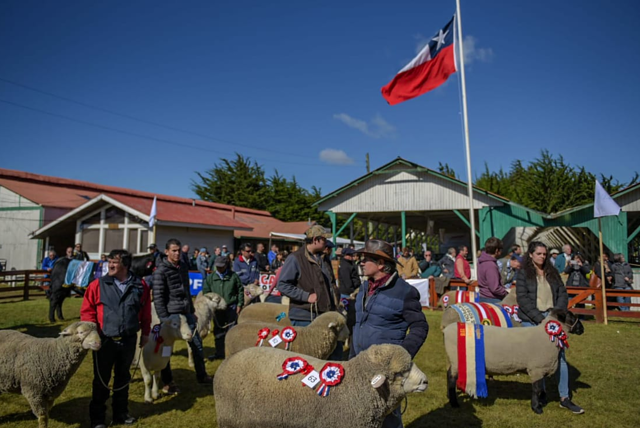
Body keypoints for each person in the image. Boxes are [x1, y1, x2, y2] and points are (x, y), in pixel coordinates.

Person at [350, 239, 429, 428]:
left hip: (385, 369)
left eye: (366, 258)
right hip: (358, 364)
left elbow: (420, 327)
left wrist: (399, 358)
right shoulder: (363, 288)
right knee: (359, 415)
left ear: (381, 264)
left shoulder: (404, 292)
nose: (361, 262)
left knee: (388, 418)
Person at [80, 249, 151, 428]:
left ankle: (121, 413)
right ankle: (97, 419)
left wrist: (146, 333)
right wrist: (91, 334)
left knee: (123, 378)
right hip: (104, 340)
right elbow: (87, 311)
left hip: (128, 340)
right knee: (101, 380)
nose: (109, 265)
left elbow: (145, 312)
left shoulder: (140, 285)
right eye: (109, 262)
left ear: (125, 265)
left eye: (114, 262)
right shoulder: (97, 285)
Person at [515, 241, 584, 414]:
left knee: (560, 356)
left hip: (552, 317)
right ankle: (540, 393)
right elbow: (522, 298)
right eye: (539, 254)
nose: (542, 257)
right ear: (530, 254)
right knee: (537, 360)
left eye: (544, 254)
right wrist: (540, 319)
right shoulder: (523, 273)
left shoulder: (552, 272)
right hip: (532, 320)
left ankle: (564, 397)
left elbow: (562, 293)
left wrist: (556, 314)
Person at [153, 239, 213, 392]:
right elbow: (158, 296)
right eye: (173, 250)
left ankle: (202, 375)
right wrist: (163, 318)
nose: (177, 253)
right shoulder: (161, 271)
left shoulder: (183, 267)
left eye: (179, 250)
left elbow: (186, 291)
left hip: (186, 312)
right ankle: (168, 382)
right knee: (167, 349)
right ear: (166, 252)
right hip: (171, 315)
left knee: (197, 345)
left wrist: (191, 310)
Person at [277, 225, 336, 326]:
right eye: (324, 239)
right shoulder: (295, 258)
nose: (326, 242)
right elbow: (282, 285)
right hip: (303, 317)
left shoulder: (324, 259)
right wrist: (306, 296)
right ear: (315, 240)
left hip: (323, 315)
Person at [203, 255, 243, 359]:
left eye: (222, 266)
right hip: (217, 309)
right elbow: (206, 292)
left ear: (226, 265)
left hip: (231, 307)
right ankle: (219, 353)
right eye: (218, 267)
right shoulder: (210, 278)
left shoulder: (233, 276)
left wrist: (239, 304)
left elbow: (240, 290)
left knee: (232, 331)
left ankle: (232, 354)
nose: (220, 269)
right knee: (218, 332)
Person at [477, 237, 508, 303]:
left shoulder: (481, 261)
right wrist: (506, 292)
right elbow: (494, 288)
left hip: (483, 297)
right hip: (492, 299)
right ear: (497, 250)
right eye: (501, 250)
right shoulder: (491, 265)